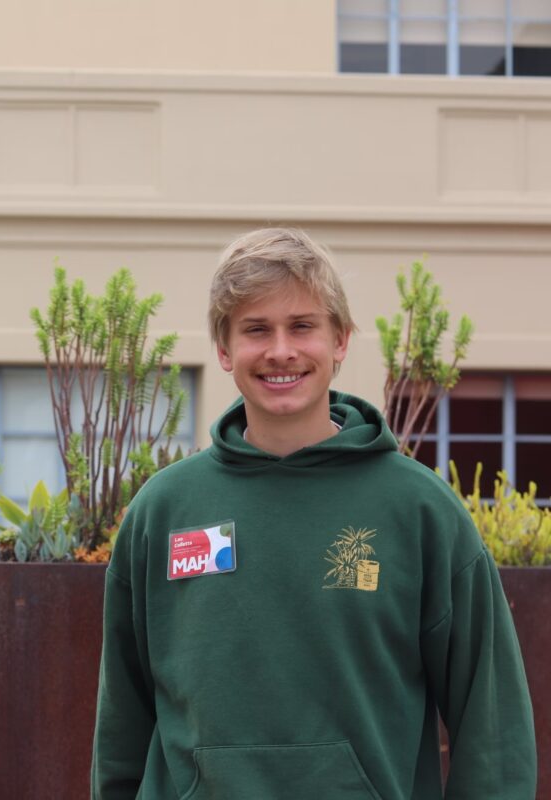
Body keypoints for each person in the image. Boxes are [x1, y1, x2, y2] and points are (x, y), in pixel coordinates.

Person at [91, 228, 536, 799]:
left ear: (341, 340)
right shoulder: (164, 510)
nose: (281, 351)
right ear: (224, 350)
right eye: (256, 329)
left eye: (302, 326)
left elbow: (491, 721)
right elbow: (122, 722)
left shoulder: (419, 508)